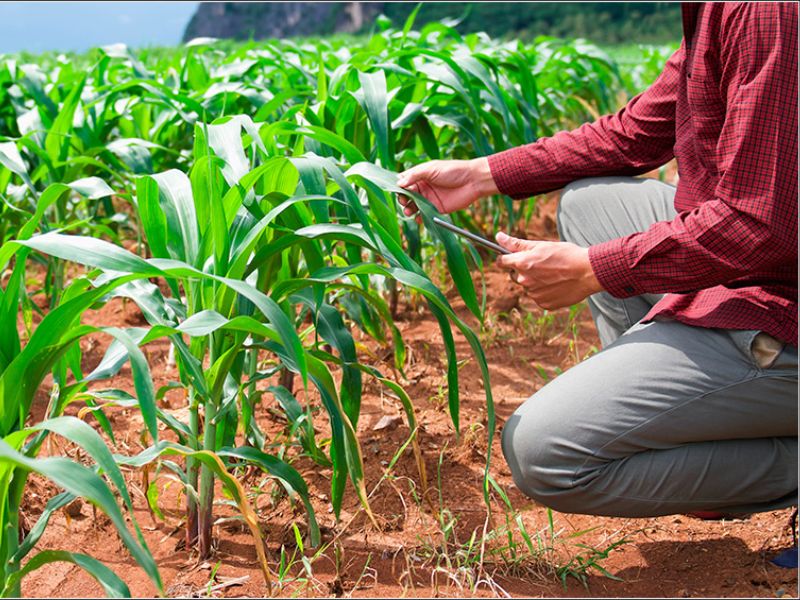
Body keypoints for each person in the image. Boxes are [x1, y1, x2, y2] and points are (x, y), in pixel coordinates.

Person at [397, 2, 798, 522]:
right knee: (590, 205)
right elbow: (635, 131)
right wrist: (480, 175)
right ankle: (681, 416)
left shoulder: (767, 12)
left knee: (545, 454)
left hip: (777, 302)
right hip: (758, 263)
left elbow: (756, 224)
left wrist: (594, 268)